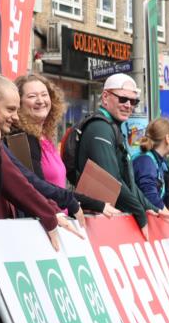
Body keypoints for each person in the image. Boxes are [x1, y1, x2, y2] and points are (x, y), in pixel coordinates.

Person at [62, 73, 169, 237]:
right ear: (106, 97)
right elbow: (111, 181)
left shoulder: (112, 127)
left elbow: (128, 182)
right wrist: (140, 212)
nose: (128, 105)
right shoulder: (100, 127)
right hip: (96, 221)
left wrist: (154, 209)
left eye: (133, 101)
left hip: (104, 219)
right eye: (123, 99)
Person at [0, 69, 83, 251]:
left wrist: (52, 209)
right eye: (10, 109)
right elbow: (17, 181)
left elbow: (18, 178)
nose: (15, 117)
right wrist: (50, 213)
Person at [13, 72, 120, 217]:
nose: (40, 100)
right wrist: (95, 204)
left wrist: (93, 205)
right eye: (32, 96)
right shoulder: (23, 139)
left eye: (44, 95)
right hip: (45, 225)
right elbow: (38, 189)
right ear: (18, 103)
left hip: (60, 223)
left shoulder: (45, 137)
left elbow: (58, 189)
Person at [133, 117, 169, 209]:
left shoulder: (161, 162)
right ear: (167, 138)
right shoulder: (145, 161)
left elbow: (167, 198)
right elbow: (151, 197)